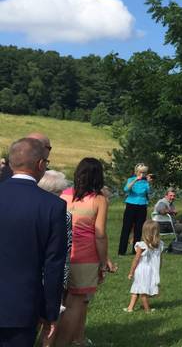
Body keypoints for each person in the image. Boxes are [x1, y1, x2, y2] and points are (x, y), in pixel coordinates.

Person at [0, 138, 67, 347]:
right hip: (22, 305)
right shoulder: (52, 206)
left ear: (11, 163)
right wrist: (51, 312)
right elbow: (54, 264)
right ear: (40, 164)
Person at [58, 157, 116, 347]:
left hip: (61, 254)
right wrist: (103, 260)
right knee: (76, 301)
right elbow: (99, 235)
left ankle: (74, 338)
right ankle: (63, 342)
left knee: (61, 300)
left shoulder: (64, 195)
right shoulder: (99, 200)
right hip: (85, 257)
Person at [126, 220, 163, 312]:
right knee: (138, 288)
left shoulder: (141, 245)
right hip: (151, 270)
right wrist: (158, 269)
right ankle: (130, 307)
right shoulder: (160, 244)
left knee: (142, 290)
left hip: (142, 269)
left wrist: (131, 272)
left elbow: (136, 260)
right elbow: (160, 259)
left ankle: (147, 310)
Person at [119, 163, 152, 255]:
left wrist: (149, 183)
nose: (143, 174)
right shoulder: (131, 179)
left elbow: (149, 192)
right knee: (126, 228)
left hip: (142, 205)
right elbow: (126, 189)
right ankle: (122, 251)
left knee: (139, 229)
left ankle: (135, 251)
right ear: (137, 172)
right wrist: (135, 180)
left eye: (145, 172)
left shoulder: (146, 182)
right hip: (131, 205)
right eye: (141, 172)